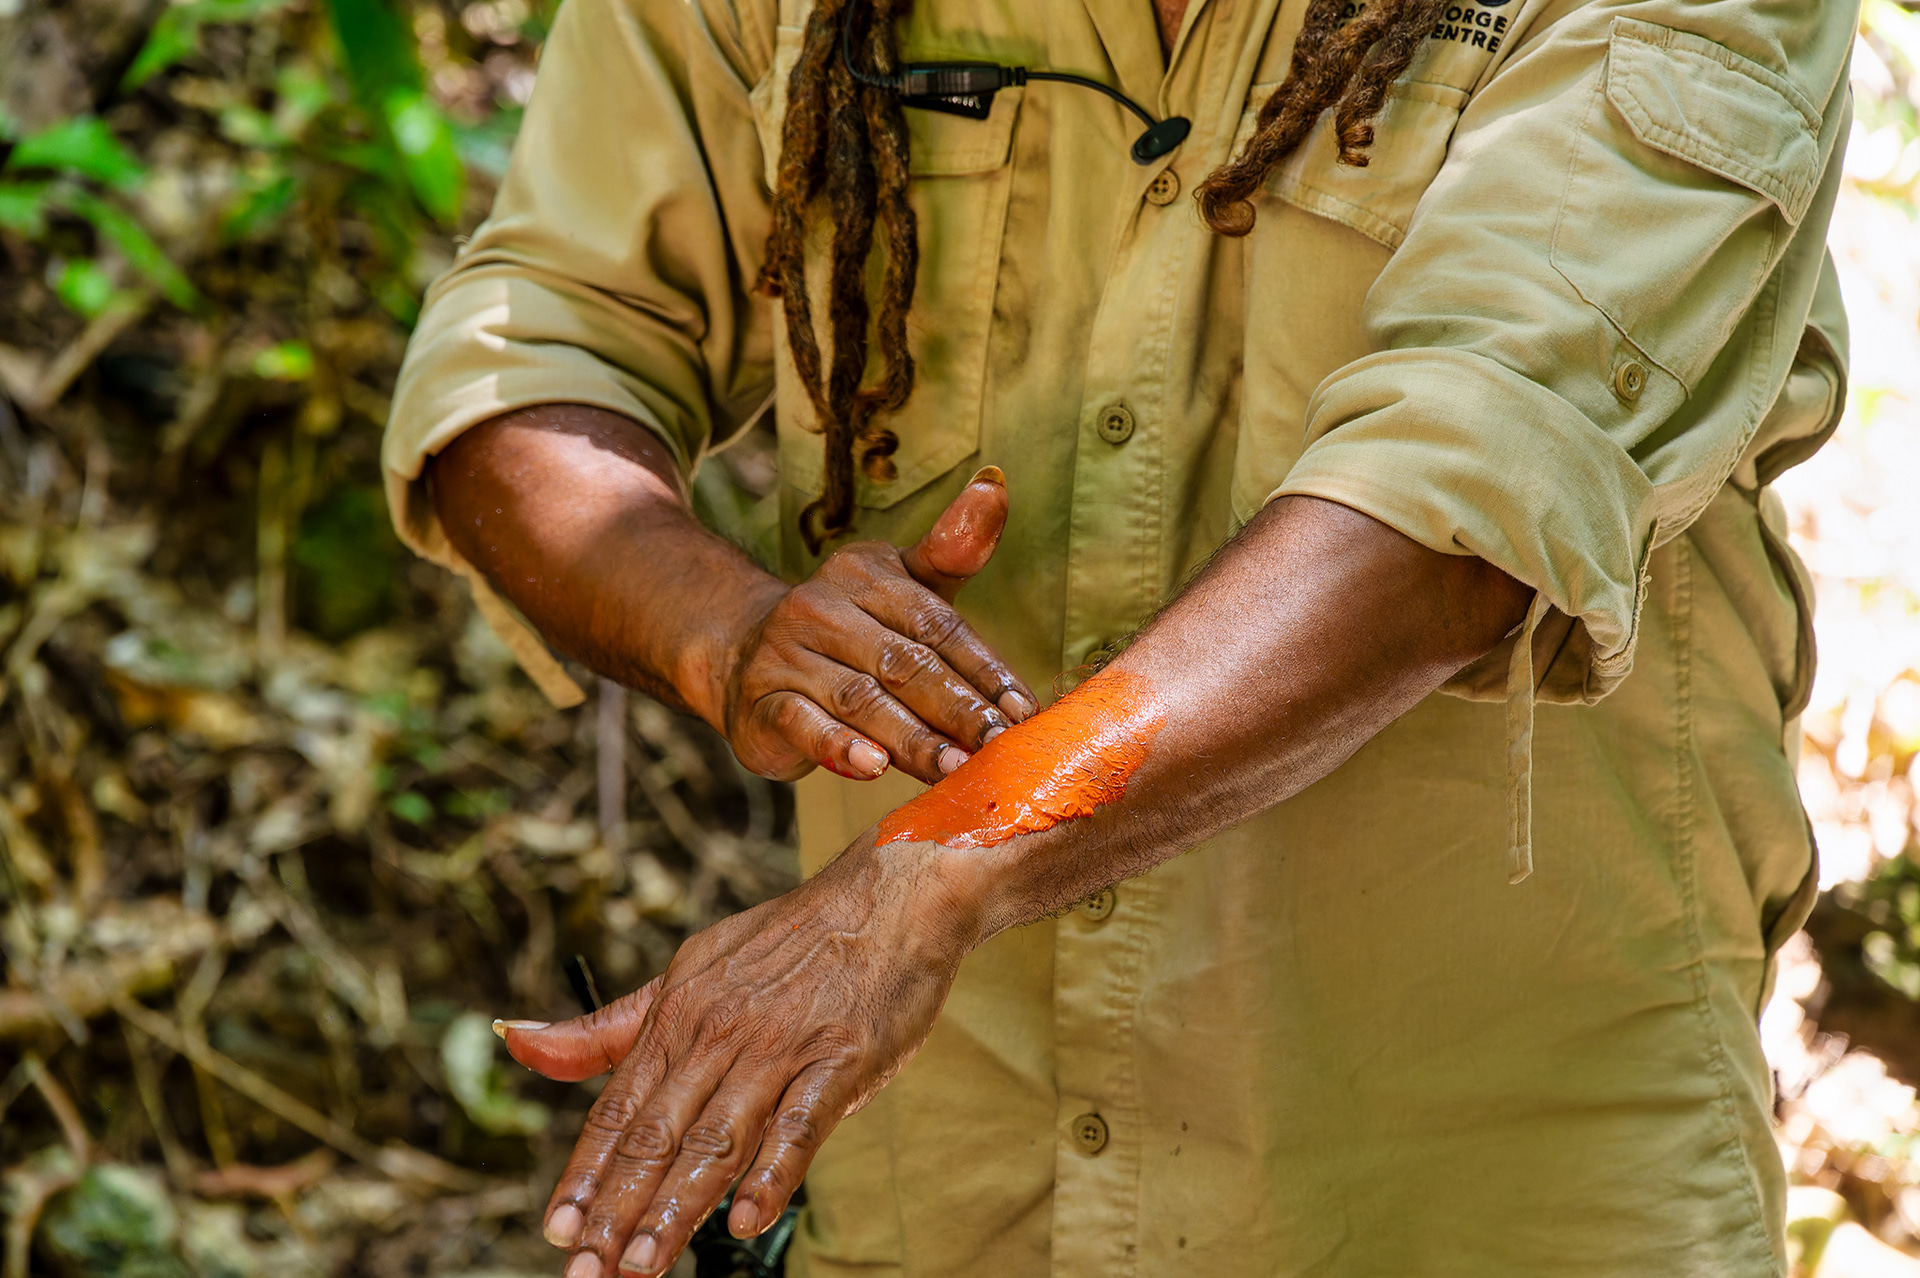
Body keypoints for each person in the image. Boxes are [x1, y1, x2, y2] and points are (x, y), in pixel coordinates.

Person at [382, 0, 1857, 1266]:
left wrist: (930, 873)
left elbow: (1464, 494)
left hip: (1485, 1186)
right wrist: (727, 630)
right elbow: (542, 331)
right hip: (957, 1187)